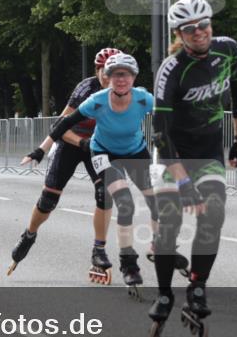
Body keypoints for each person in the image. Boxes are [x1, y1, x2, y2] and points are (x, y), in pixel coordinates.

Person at [148, 0, 237, 337]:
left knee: (214, 214)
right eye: (189, 30)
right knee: (169, 222)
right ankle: (164, 293)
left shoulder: (229, 50)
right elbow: (160, 132)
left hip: (207, 152)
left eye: (203, 25)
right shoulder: (172, 69)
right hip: (172, 153)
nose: (199, 33)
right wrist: (183, 182)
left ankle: (197, 287)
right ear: (179, 33)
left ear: (211, 24)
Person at [27, 53, 158, 290]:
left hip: (128, 150)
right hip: (90, 148)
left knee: (147, 199)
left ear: (133, 77)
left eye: (126, 75)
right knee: (118, 201)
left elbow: (167, 115)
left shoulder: (142, 98)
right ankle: (126, 263)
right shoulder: (93, 96)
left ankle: (149, 246)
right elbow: (63, 123)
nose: (120, 80)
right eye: (114, 75)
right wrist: (41, 149)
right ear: (104, 75)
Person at [9, 48, 121, 277]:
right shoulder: (86, 89)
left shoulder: (123, 92)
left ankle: (98, 250)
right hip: (71, 142)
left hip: (96, 147)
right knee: (48, 199)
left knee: (105, 193)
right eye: (104, 72)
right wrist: (44, 149)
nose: (109, 78)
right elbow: (59, 126)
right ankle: (29, 234)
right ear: (97, 71)